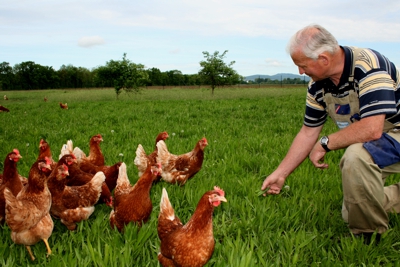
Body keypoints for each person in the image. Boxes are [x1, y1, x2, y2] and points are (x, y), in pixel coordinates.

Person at [261, 24, 400, 242]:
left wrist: (326, 142)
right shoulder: (317, 86)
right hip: (381, 138)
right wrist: (281, 173)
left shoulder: (369, 65)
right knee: (354, 210)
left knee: (356, 157)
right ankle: (369, 214)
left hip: (395, 131)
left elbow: (372, 128)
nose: (300, 72)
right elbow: (309, 131)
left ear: (324, 59)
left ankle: (368, 239)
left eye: (302, 65)